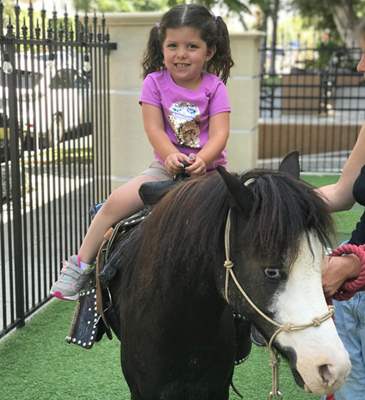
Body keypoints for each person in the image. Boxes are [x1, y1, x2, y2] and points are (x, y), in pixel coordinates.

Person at [50, 4, 234, 301]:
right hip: (164, 168)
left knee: (243, 219)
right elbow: (154, 129)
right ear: (162, 48)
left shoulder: (215, 87)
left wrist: (204, 159)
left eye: (191, 46)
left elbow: (220, 134)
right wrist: (170, 156)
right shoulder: (154, 83)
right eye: (172, 45)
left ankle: (251, 301)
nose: (181, 54)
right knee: (116, 202)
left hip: (208, 173)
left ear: (208, 52)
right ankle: (81, 265)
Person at [317, 20, 365, 400]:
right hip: (352, 294)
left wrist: (356, 263)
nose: (360, 67)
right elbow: (343, 193)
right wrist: (272, 200)